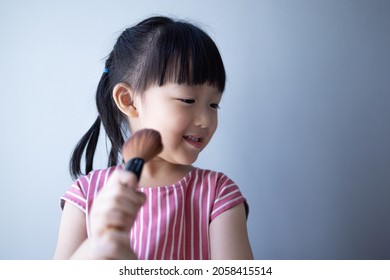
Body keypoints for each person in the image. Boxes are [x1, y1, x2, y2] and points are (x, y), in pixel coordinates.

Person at [53, 16, 253, 260]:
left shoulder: (217, 194)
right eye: (188, 100)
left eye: (214, 104)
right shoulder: (85, 195)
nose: (205, 120)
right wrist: (95, 249)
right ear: (128, 100)